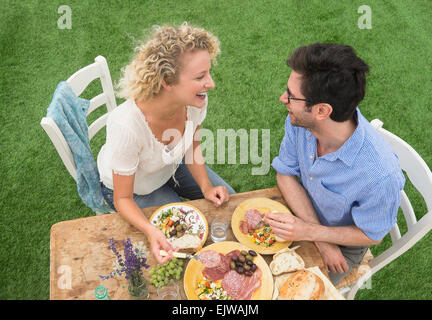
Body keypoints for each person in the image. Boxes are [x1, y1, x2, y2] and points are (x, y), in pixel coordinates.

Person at [264, 43, 405, 286]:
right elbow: (285, 175)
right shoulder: (301, 121)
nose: (282, 99)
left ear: (322, 110)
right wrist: (319, 238)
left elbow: (371, 234)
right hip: (305, 219)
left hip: (345, 245)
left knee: (277, 290)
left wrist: (314, 234)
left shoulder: (380, 176)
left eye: (291, 95)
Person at [97, 23, 235, 264]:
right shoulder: (126, 126)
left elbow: (192, 146)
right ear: (167, 82)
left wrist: (205, 187)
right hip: (133, 189)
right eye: (200, 77)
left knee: (229, 203)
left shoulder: (195, 101)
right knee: (183, 237)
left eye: (208, 74)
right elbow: (122, 199)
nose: (211, 84)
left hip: (169, 164)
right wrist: (151, 232)